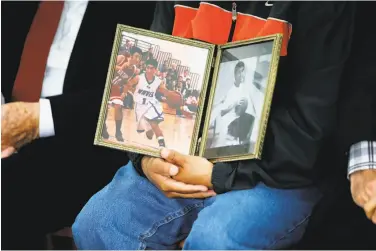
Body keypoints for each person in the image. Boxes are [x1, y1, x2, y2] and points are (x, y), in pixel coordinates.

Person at [72, 1, 374, 250]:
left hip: (280, 172)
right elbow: (146, 87)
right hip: (182, 156)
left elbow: (310, 129)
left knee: (216, 239)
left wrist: (219, 174)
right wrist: (147, 158)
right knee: (99, 224)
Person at [1, 1, 155, 249]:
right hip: (10, 125)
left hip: (86, 142)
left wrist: (36, 119)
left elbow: (132, 99)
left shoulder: (137, 7)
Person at [128, 58, 175, 148]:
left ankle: (162, 146)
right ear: (145, 67)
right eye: (147, 67)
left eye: (151, 68)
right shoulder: (139, 78)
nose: (149, 70)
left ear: (155, 69)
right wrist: (132, 91)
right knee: (149, 134)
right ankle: (152, 129)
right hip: (139, 106)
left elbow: (164, 91)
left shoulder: (158, 81)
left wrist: (171, 95)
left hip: (151, 104)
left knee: (153, 123)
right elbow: (129, 84)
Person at [103, 46, 142, 141]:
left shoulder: (133, 69)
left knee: (118, 106)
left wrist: (124, 93)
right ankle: (103, 127)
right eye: (136, 56)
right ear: (131, 56)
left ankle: (118, 132)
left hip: (115, 88)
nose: (138, 59)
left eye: (140, 58)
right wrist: (120, 67)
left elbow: (127, 82)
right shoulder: (121, 58)